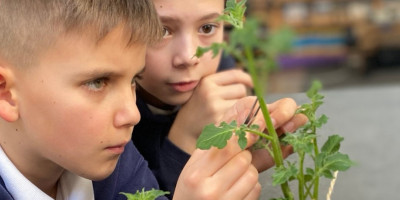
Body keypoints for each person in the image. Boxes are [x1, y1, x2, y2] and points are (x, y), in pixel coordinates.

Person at [0, 0, 264, 199]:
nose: (132, 114)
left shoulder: (110, 158)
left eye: (133, 81)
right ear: (6, 93)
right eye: (97, 82)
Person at [132, 0, 308, 198]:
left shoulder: (222, 68)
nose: (189, 57)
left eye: (207, 28)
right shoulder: (113, 112)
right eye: (161, 30)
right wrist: (186, 139)